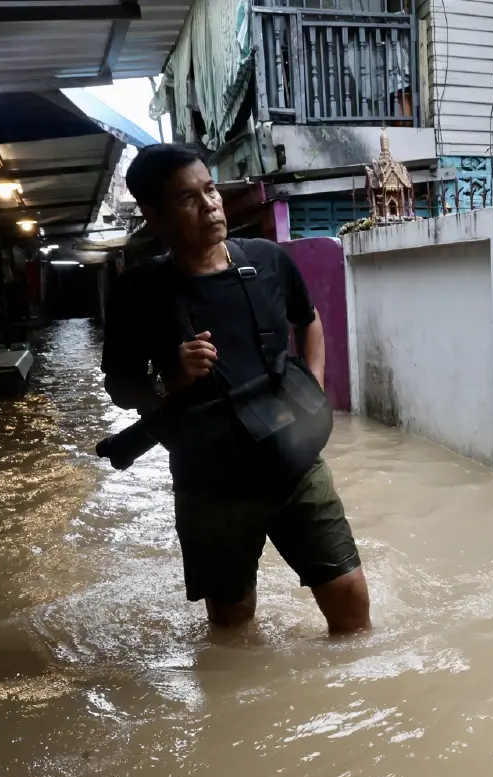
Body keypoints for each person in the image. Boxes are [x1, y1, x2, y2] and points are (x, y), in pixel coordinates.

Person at [101, 144, 370, 634]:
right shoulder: (137, 293)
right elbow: (119, 387)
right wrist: (170, 377)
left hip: (293, 461)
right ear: (154, 215)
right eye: (188, 198)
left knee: (350, 600)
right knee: (232, 623)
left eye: (210, 190)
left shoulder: (267, 262)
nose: (210, 205)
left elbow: (307, 321)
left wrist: (313, 389)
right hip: (209, 482)